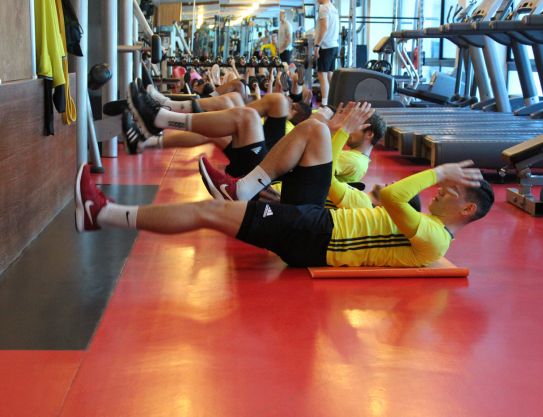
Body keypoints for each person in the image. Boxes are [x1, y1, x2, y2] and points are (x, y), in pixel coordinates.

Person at [76, 103, 494, 268]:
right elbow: (332, 186)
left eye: (452, 191)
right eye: (446, 185)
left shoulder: (435, 239)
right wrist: (338, 129)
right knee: (314, 130)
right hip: (317, 218)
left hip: (314, 239)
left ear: (467, 210)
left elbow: (391, 194)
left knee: (210, 212)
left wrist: (439, 171)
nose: (441, 190)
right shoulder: (404, 217)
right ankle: (244, 187)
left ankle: (103, 214)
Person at [314, 0, 339, 106]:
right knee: (330, 74)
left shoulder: (323, 8)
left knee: (322, 74)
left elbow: (324, 27)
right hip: (333, 45)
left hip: (325, 46)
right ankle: (333, 102)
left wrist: (317, 45)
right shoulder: (333, 8)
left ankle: (325, 104)